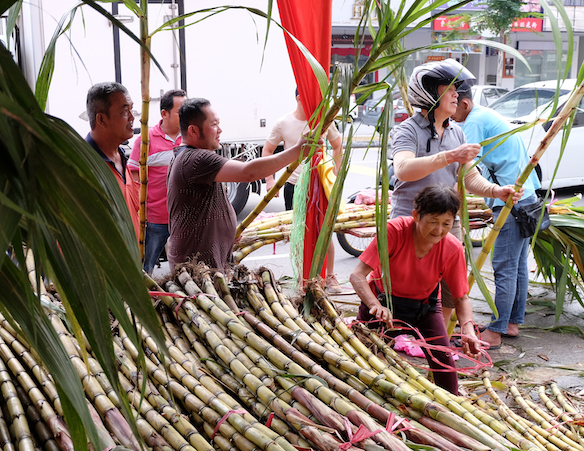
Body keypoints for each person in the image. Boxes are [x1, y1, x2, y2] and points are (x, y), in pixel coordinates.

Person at [391, 59, 522, 323]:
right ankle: (401, 333)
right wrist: (449, 156)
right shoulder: (407, 130)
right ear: (428, 91)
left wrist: (496, 191)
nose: (456, 95)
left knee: (449, 284)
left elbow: (469, 176)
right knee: (404, 283)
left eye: (457, 89)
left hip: (448, 222)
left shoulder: (457, 132)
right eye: (450, 88)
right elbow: (403, 169)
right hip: (411, 221)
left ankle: (439, 335)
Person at [349, 185, 482, 395]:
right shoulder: (393, 231)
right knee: (363, 358)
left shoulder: (452, 247)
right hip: (382, 304)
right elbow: (357, 276)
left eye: (446, 224)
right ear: (416, 216)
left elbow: (461, 298)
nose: (439, 230)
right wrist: (374, 305)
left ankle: (451, 406)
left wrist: (467, 328)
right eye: (433, 222)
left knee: (444, 362)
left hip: (424, 307)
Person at [167, 98, 312, 273]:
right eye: (214, 125)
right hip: (197, 270)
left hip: (206, 264)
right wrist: (297, 151)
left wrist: (224, 233)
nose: (220, 130)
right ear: (193, 130)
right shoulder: (196, 159)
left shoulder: (187, 157)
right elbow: (248, 173)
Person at [451, 81, 542, 349]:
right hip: (526, 196)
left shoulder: (473, 122)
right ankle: (511, 323)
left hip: (510, 199)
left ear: (464, 104)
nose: (452, 118)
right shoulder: (487, 116)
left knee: (504, 266)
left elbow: (464, 169)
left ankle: (496, 330)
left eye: (454, 108)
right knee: (516, 266)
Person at [262, 89, 345, 292]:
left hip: (320, 184)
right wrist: (270, 180)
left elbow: (337, 146)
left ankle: (330, 276)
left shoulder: (324, 120)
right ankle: (303, 277)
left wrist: (334, 174)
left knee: (325, 231)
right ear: (300, 98)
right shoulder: (283, 122)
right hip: (294, 185)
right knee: (299, 232)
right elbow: (268, 150)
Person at [128, 89, 187, 273]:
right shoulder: (145, 140)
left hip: (183, 218)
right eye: (180, 111)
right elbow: (134, 175)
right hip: (155, 218)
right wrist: (140, 213)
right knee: (145, 268)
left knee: (184, 270)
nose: (186, 115)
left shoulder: (189, 137)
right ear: (164, 113)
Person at [85, 82, 141, 240]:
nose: (132, 117)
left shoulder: (121, 156)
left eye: (131, 109)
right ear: (101, 119)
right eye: (124, 111)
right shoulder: (84, 165)